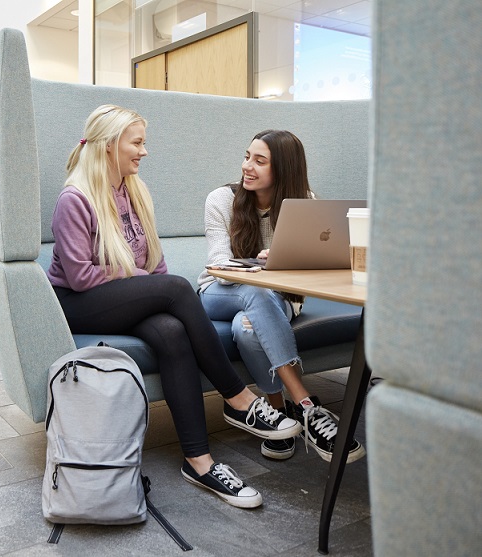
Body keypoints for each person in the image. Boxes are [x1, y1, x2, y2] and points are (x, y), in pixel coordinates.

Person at [47, 105, 301, 509]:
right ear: (110, 145)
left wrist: (148, 283)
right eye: (137, 142)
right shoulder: (74, 199)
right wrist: (149, 284)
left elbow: (155, 265)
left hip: (120, 296)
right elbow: (80, 277)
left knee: (171, 331)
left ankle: (199, 462)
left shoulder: (135, 191)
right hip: (79, 302)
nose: (144, 152)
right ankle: (237, 398)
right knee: (179, 289)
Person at [198, 129, 366, 464]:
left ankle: (279, 416)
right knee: (256, 293)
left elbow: (313, 263)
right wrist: (262, 266)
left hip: (278, 299)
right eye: (247, 157)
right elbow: (216, 262)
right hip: (218, 293)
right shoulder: (221, 200)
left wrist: (279, 261)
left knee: (247, 327)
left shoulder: (304, 202)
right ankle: (306, 405)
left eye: (259, 161)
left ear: (283, 170)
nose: (248, 166)